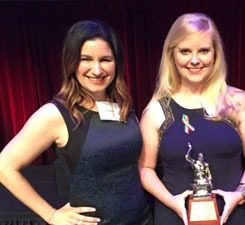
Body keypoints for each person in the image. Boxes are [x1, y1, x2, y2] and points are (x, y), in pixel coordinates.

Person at [0, 20, 152, 225]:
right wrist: (51, 214)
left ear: (117, 62)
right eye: (86, 59)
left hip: (142, 219)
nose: (97, 70)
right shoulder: (55, 114)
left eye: (105, 59)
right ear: (71, 63)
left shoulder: (121, 104)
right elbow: (4, 166)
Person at [139, 13, 245, 225]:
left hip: (233, 216)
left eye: (203, 51)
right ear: (172, 54)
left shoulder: (238, 102)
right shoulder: (156, 111)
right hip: (175, 217)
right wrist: (173, 202)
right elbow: (145, 169)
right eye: (185, 51)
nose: (194, 60)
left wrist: (239, 194)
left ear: (215, 54)